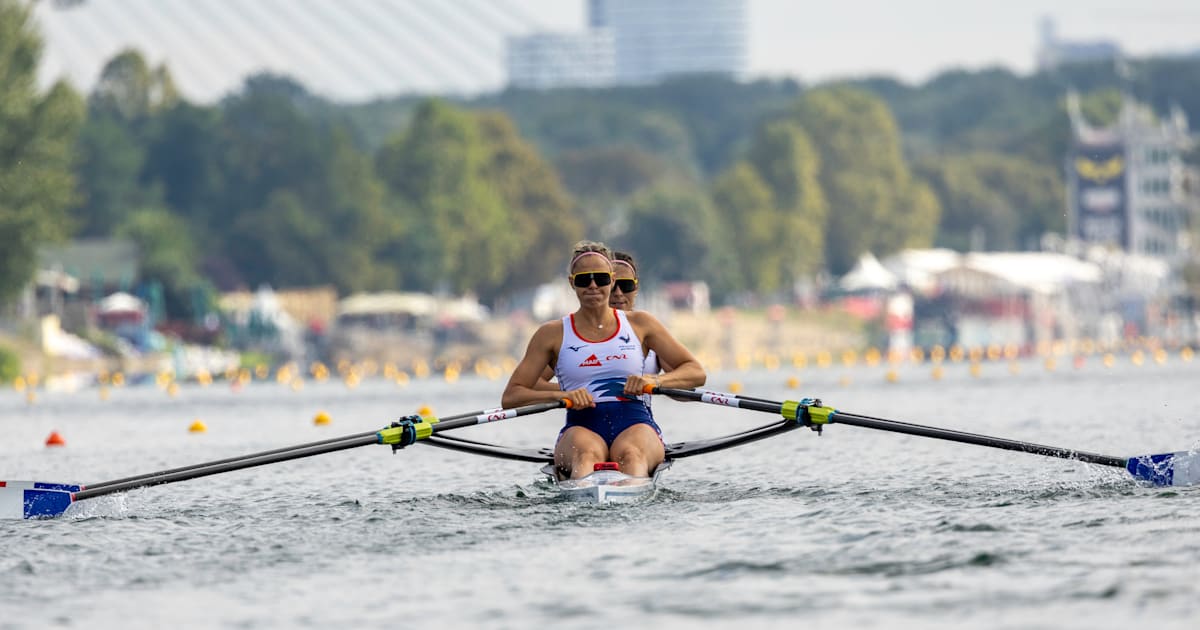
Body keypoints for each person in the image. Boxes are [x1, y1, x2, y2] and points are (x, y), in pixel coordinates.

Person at [501, 241, 706, 480]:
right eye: (583, 279)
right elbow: (512, 396)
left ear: (610, 278)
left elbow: (696, 372)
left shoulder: (641, 324)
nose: (593, 286)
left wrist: (653, 380)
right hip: (582, 425)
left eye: (600, 278)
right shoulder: (551, 334)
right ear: (571, 283)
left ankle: (631, 498)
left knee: (632, 455)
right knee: (586, 456)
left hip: (635, 421)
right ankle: (585, 503)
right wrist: (563, 395)